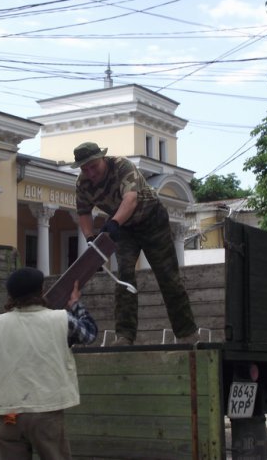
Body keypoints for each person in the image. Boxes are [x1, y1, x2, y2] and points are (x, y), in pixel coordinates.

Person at [71, 141, 199, 345]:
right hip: (125, 230)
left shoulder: (122, 166)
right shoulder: (83, 183)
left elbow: (130, 199)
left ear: (102, 159)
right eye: (85, 168)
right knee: (124, 278)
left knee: (168, 276)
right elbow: (84, 212)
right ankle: (124, 336)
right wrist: (89, 238)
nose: (90, 172)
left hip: (152, 222)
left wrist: (113, 223)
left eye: (93, 166)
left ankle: (187, 334)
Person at [0, 267, 97, 460]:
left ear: (11, 295)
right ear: (41, 291)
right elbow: (89, 334)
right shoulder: (60, 319)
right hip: (47, 411)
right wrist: (75, 304)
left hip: (9, 414)